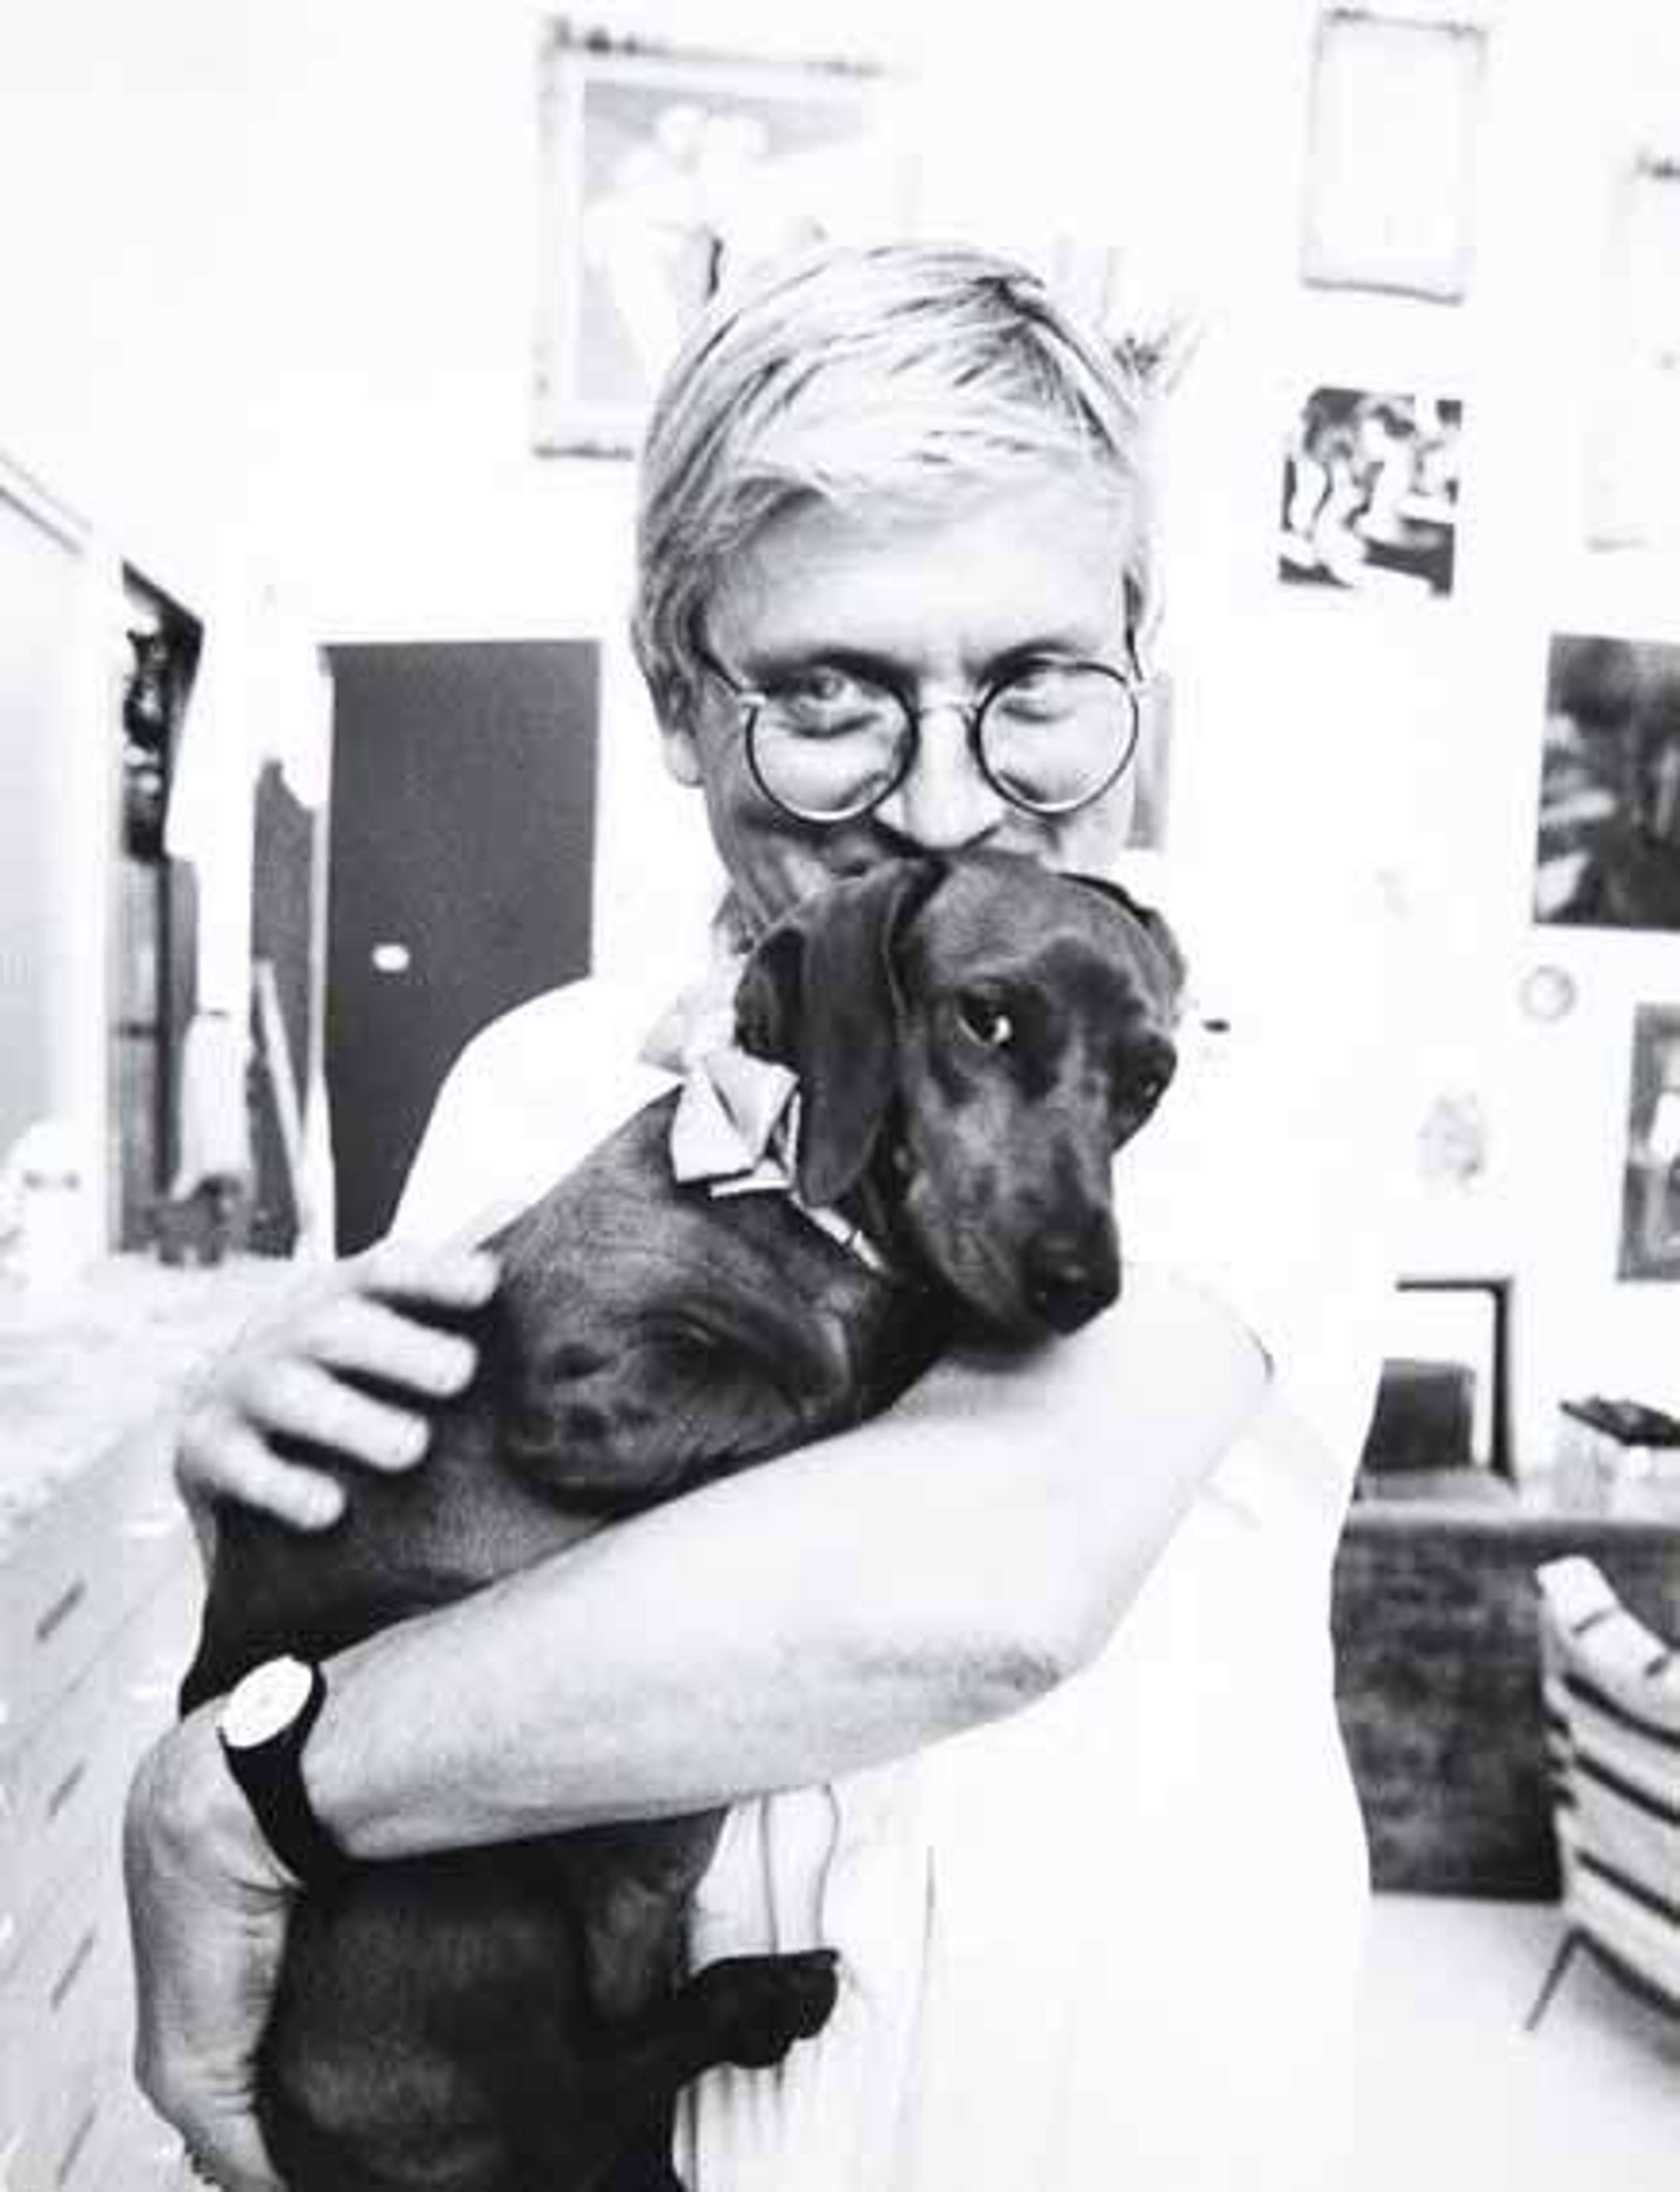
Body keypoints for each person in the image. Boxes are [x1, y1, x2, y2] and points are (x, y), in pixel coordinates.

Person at [125, 241, 1415, 2192]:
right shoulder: (530, 1087)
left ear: (1144, 666)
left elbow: (981, 1577)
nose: (951, 802)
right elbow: (431, 1570)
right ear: (676, 696)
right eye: (831, 695)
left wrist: (236, 1797)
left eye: (1039, 686)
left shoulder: (1221, 1037)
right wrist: (255, 1507)